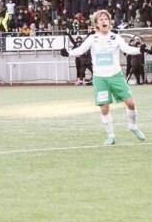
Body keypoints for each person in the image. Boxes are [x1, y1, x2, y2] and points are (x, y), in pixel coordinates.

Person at [62, 9, 146, 145]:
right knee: (104, 107)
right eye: (101, 19)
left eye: (106, 19)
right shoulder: (92, 38)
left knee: (131, 103)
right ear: (96, 24)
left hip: (116, 76)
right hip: (100, 78)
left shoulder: (116, 37)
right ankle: (111, 136)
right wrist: (68, 52)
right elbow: (81, 50)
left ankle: (133, 126)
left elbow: (126, 49)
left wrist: (138, 50)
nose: (104, 21)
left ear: (110, 22)